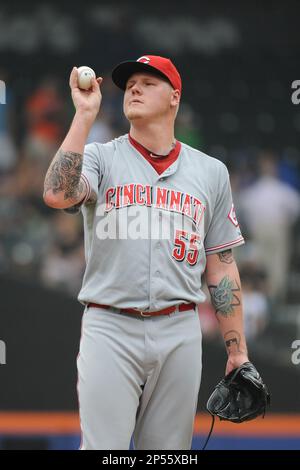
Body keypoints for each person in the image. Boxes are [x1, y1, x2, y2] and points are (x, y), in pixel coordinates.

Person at [43, 55, 249, 450]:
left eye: (147, 82)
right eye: (130, 83)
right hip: (110, 324)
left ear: (174, 97)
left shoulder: (210, 172)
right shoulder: (103, 157)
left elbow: (221, 266)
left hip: (180, 328)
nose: (134, 88)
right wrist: (84, 115)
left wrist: (237, 352)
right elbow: (56, 193)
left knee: (168, 455)